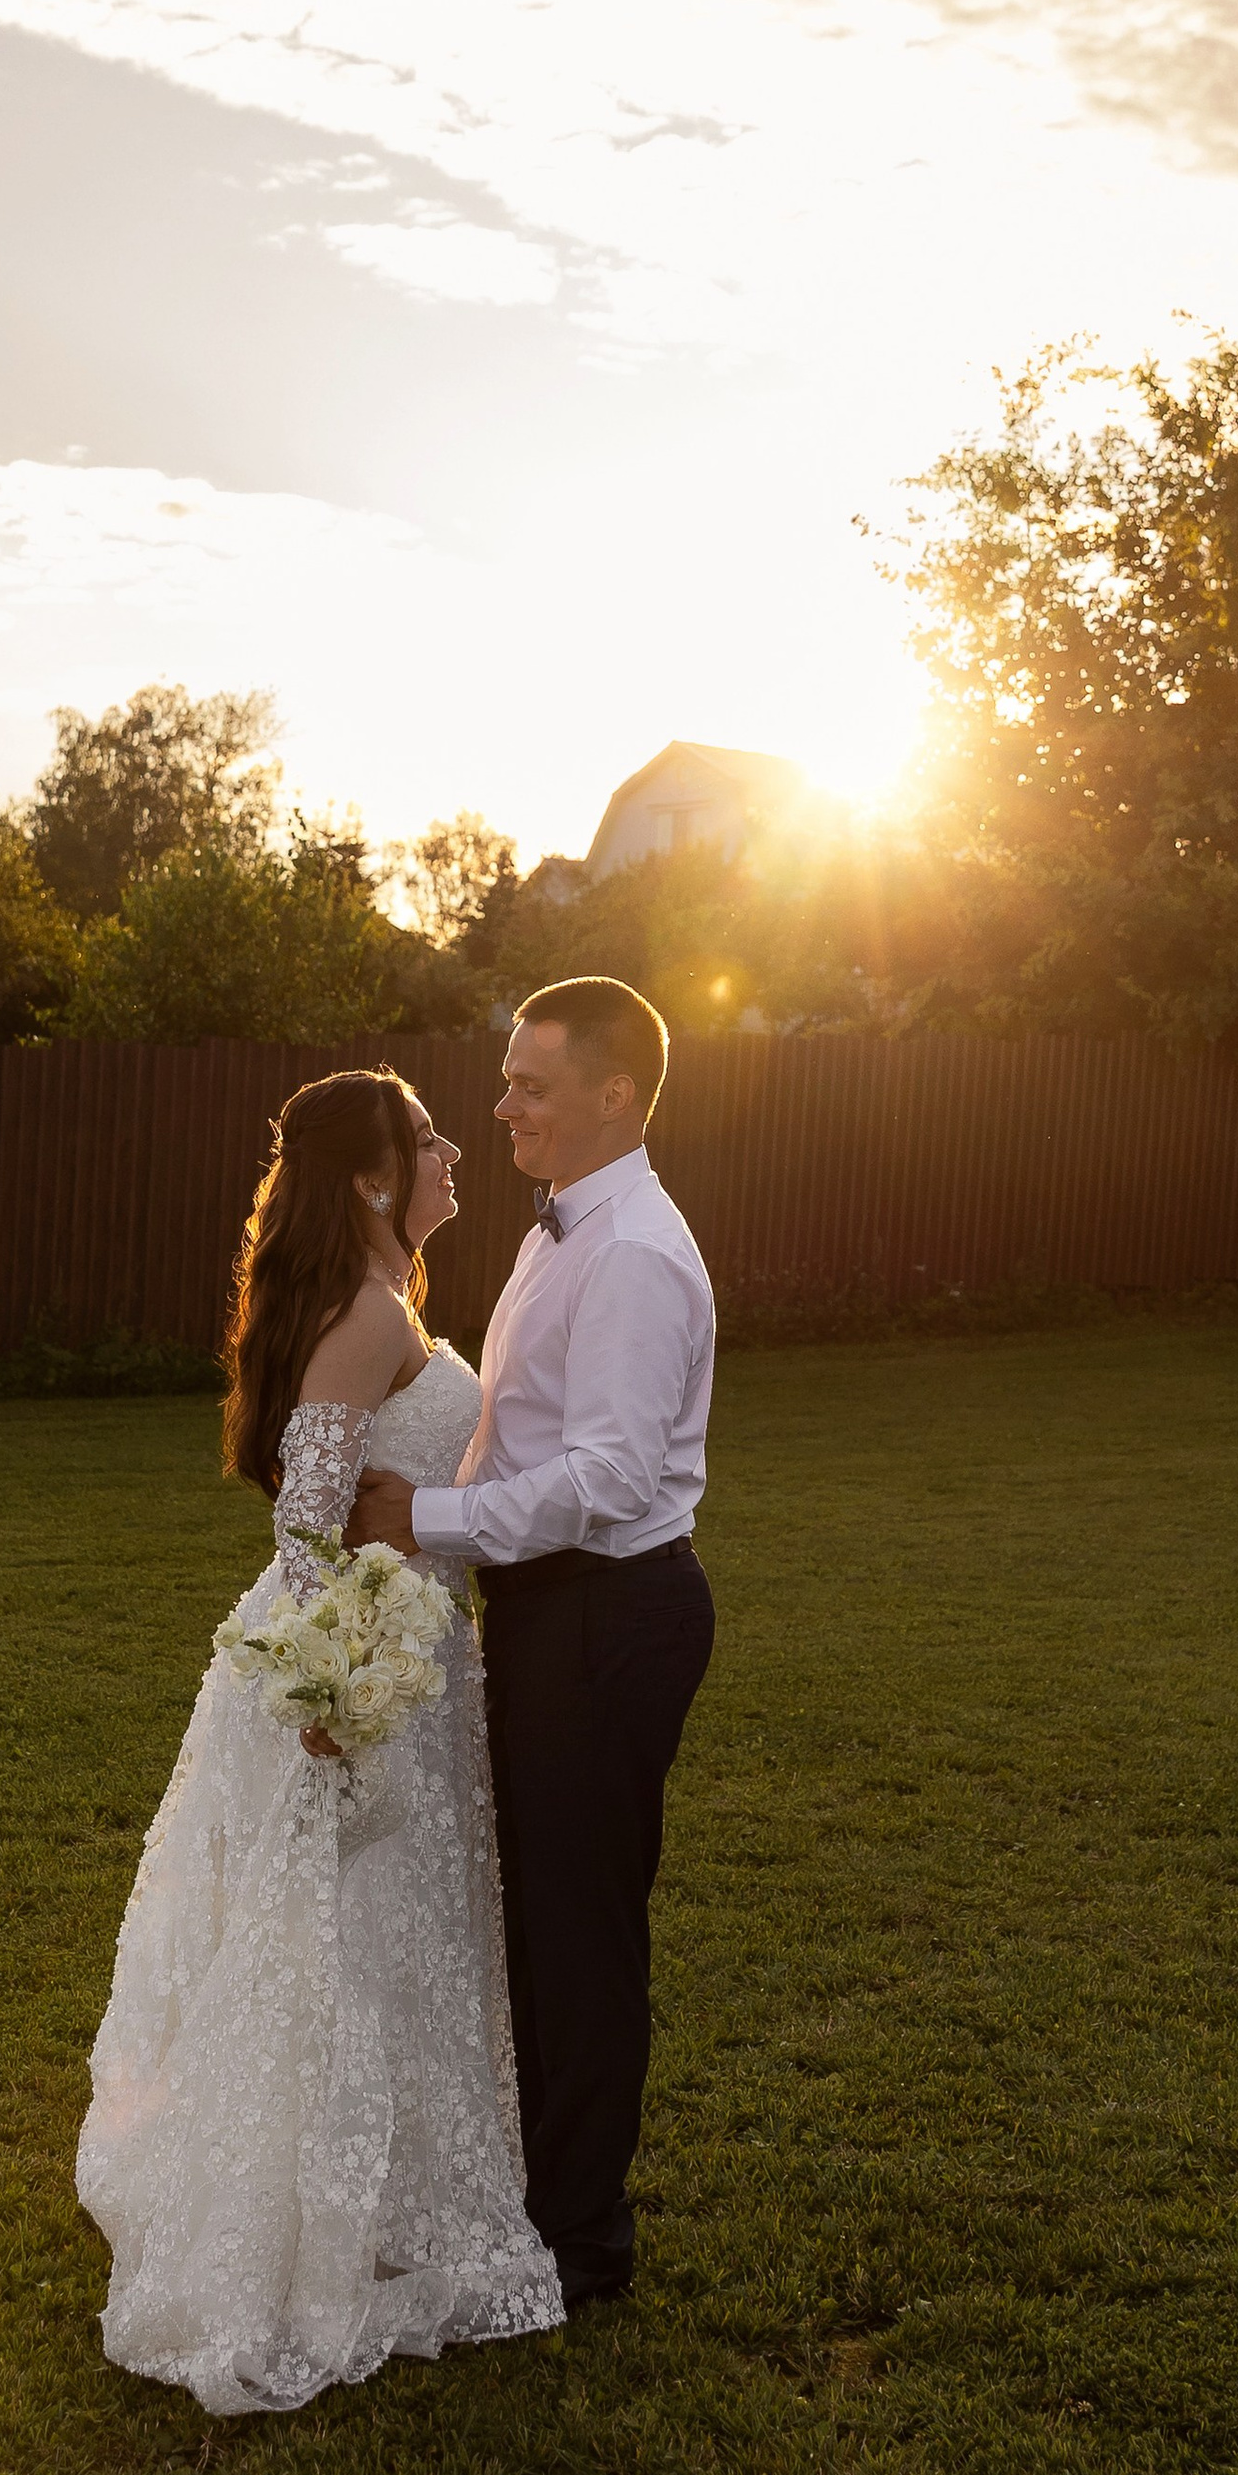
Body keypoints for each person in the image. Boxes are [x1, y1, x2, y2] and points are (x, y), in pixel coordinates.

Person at [76, 1068, 563, 2413]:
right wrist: (332, 1699)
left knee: (385, 1942)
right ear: (368, 1178)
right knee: (344, 1940)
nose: (454, 1149)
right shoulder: (360, 1314)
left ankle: (386, 2189)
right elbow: (305, 1530)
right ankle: (315, 2223)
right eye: (423, 1141)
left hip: (401, 1647)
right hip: (364, 1671)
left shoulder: (384, 1299)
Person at [345, 979, 716, 2311]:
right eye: (504, 1081)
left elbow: (610, 1477)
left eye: (531, 1085)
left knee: (582, 1934)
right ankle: (546, 2202)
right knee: (546, 1922)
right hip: (554, 1609)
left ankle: (583, 2244)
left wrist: (423, 1520)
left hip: (610, 1614)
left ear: (617, 1095)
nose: (501, 1104)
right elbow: (525, 1430)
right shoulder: (564, 1230)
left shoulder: (630, 1255)